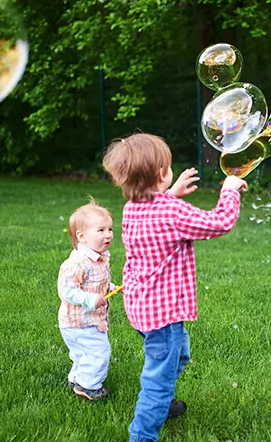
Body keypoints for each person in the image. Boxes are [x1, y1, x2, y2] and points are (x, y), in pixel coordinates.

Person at [103, 133, 248, 442]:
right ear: (160, 175)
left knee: (177, 356)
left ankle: (162, 400)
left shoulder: (133, 206)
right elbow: (219, 222)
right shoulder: (170, 212)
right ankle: (143, 432)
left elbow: (161, 210)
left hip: (142, 306)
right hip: (164, 314)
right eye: (167, 167)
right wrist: (230, 190)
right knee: (159, 376)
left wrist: (173, 193)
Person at [57, 198, 117, 400]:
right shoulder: (77, 263)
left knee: (83, 353)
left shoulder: (99, 257)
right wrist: (91, 300)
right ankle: (89, 387)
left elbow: (97, 283)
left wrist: (112, 288)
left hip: (83, 322)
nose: (108, 234)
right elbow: (67, 291)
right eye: (100, 230)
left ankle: (77, 379)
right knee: (99, 352)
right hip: (80, 323)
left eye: (110, 229)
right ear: (81, 237)